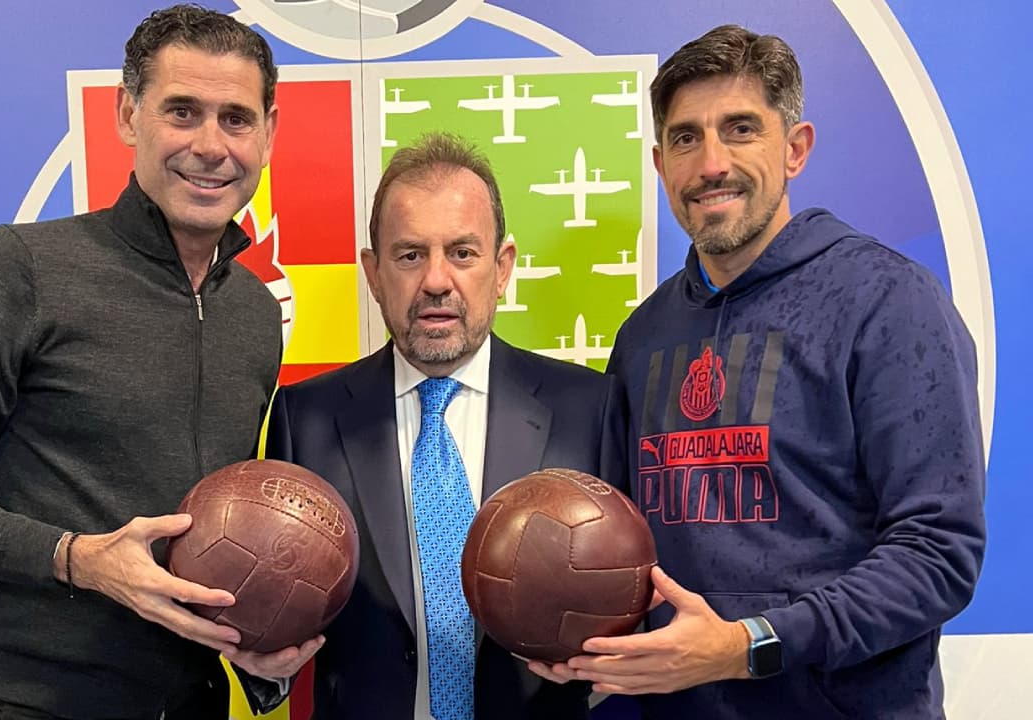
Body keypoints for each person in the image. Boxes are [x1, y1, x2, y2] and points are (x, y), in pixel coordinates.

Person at [0, 5, 317, 719]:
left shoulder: (256, 311)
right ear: (128, 116)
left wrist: (255, 649)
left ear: (270, 132)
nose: (210, 145)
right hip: (35, 701)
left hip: (193, 700)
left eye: (235, 118)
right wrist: (76, 557)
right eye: (182, 112)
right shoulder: (19, 269)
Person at [535, 24, 986, 719]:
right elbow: (617, 549)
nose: (711, 162)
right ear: (660, 164)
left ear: (795, 148)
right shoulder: (643, 337)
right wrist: (566, 632)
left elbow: (937, 552)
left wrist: (751, 644)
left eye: (740, 128)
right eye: (686, 138)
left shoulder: (889, 302)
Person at [264, 132, 614, 719]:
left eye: (463, 252)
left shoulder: (590, 408)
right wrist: (264, 666)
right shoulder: (307, 418)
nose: (435, 280)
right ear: (373, 274)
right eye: (409, 254)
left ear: (502, 268)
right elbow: (278, 620)